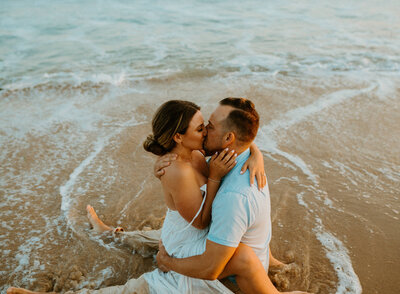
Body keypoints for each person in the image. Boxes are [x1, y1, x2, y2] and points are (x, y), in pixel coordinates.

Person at [8, 99, 305, 294]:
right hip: (190, 230)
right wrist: (214, 176)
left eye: (208, 128)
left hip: (193, 234)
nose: (205, 133)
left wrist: (255, 153)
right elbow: (199, 219)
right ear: (179, 137)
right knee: (152, 257)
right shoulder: (198, 161)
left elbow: (202, 223)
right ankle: (109, 237)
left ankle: (112, 236)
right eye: (202, 128)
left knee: (152, 260)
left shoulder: (214, 158)